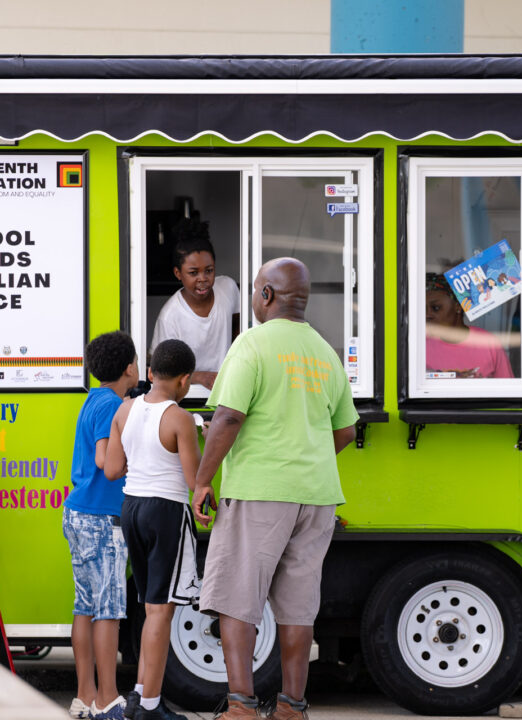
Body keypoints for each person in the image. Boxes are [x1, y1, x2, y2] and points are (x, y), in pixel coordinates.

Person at [192, 257, 358, 720]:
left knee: (237, 601)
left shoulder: (252, 344)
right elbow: (345, 431)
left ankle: (242, 706)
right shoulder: (325, 352)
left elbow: (226, 416)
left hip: (260, 490)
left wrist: (203, 480)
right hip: (318, 495)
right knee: (297, 608)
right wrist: (307, 457)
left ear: (266, 296)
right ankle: (291, 707)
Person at [104, 339, 202, 720]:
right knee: (162, 611)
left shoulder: (124, 410)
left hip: (132, 509)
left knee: (150, 606)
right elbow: (195, 481)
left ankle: (141, 695)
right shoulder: (179, 418)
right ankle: (149, 707)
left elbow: (112, 469)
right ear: (185, 380)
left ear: (148, 373)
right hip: (166, 512)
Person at [63, 331, 139, 720]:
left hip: (77, 513)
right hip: (100, 519)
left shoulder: (94, 399)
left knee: (85, 606)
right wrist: (133, 461)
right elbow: (102, 459)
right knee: (108, 609)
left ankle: (85, 696)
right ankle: (109, 699)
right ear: (129, 367)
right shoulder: (113, 405)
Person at [150, 217, 241, 390]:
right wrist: (200, 377)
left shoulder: (228, 287)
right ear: (178, 273)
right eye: (193, 273)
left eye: (209, 271)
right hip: (187, 397)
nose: (203, 279)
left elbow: (238, 326)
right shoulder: (170, 316)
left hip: (228, 392)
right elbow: (162, 371)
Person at [425, 272, 513, 379]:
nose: (427, 315)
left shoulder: (489, 343)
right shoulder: (420, 345)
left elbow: (506, 391)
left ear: (458, 306)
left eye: (436, 308)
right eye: (423, 309)